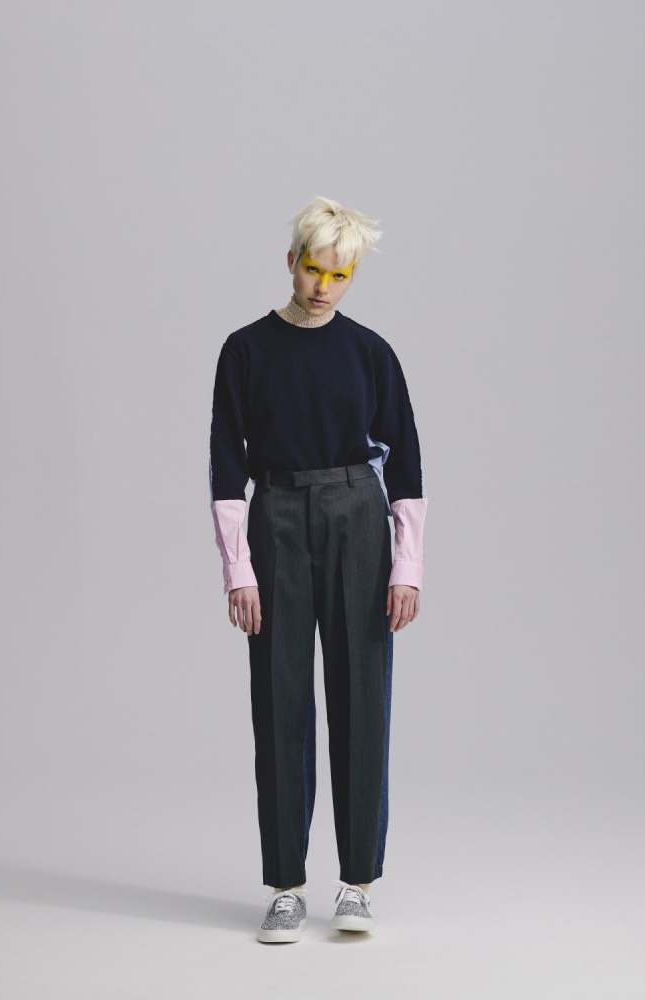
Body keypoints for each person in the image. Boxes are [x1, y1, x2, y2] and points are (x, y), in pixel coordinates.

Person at [208, 196, 427, 943]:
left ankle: (357, 883)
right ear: (291, 261)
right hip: (275, 513)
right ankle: (285, 886)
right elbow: (224, 461)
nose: (323, 287)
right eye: (313, 269)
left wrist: (407, 565)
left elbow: (406, 458)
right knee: (279, 702)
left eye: (340, 274)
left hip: (357, 516)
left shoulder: (370, 352)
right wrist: (238, 570)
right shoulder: (245, 350)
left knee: (363, 697)